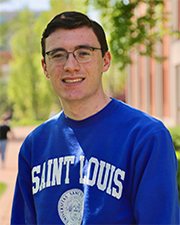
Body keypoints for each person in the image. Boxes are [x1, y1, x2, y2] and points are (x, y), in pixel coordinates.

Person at [11, 11, 179, 224]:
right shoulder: (34, 145)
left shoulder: (146, 138)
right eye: (57, 55)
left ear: (105, 61)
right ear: (45, 67)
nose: (70, 66)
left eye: (83, 52)